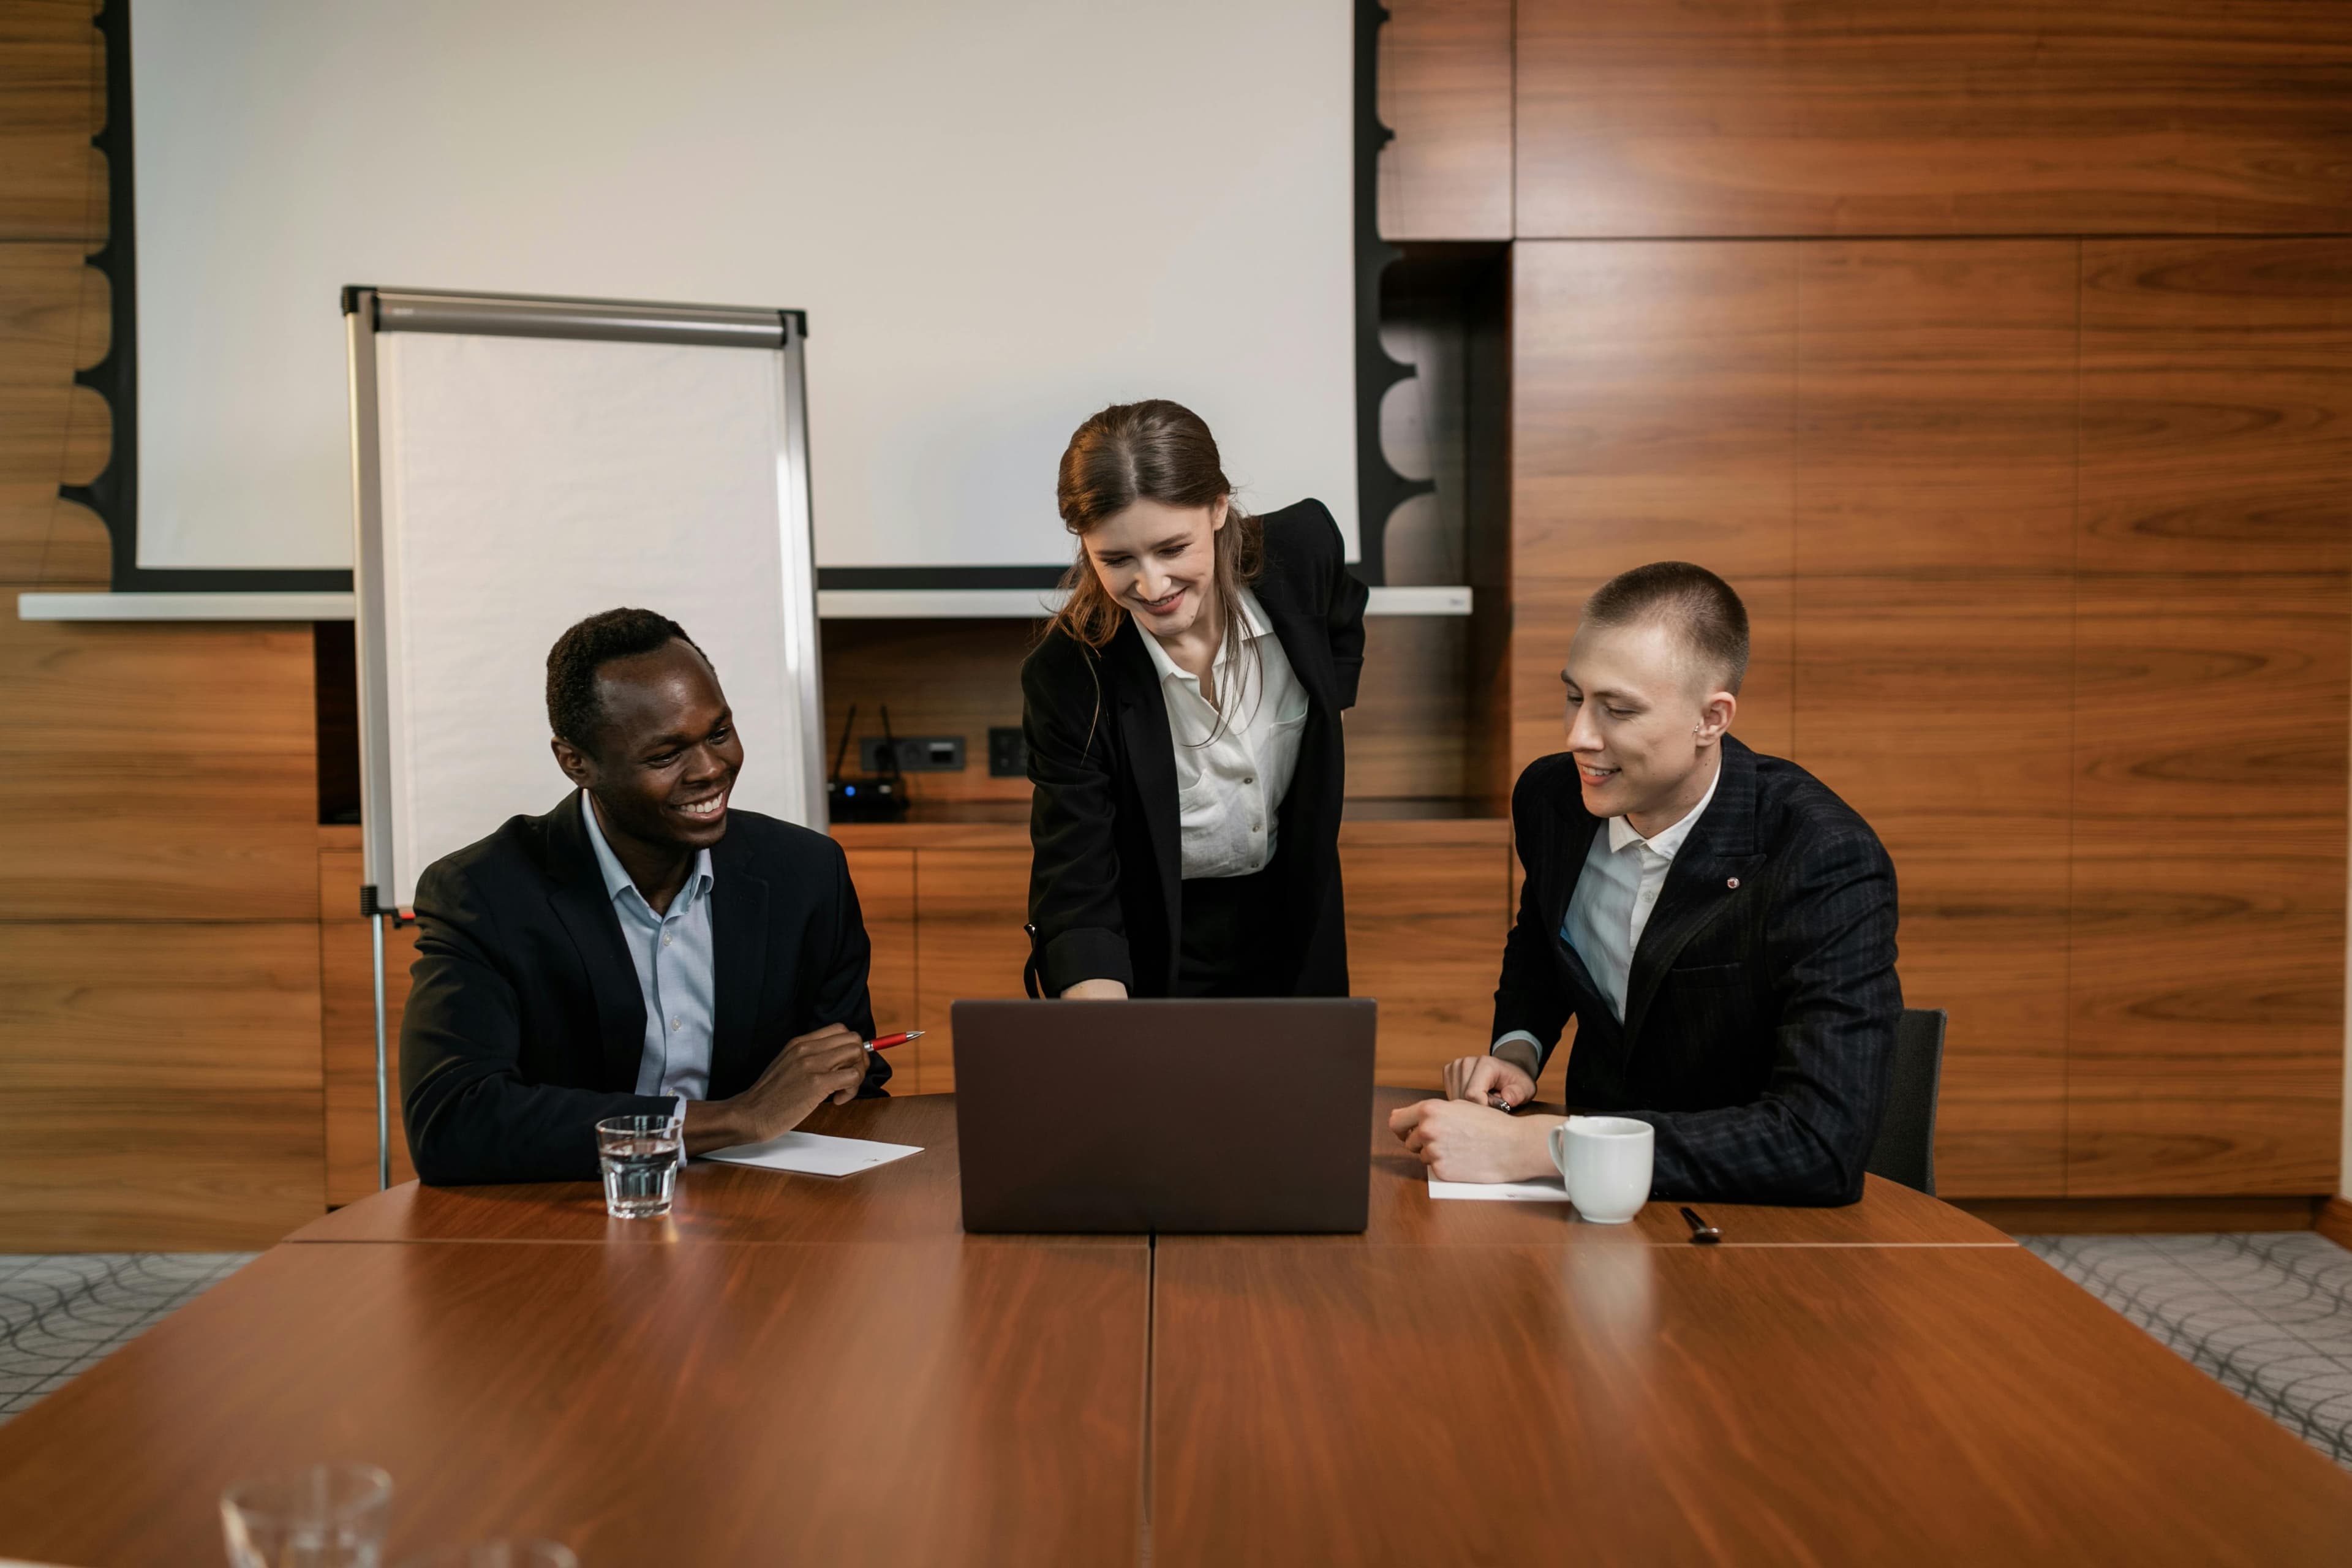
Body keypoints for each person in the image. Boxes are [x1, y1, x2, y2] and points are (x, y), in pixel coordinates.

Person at [1389, 563, 1900, 1205]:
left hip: (1752, 1221)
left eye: (1619, 709)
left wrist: (1543, 1145)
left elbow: (1820, 1145)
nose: (1578, 736)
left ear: (1712, 719)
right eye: (1575, 696)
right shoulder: (1553, 798)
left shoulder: (1822, 857)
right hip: (1581, 1212)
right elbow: (1545, 938)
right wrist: (1518, 1050)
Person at [401, 608, 889, 1185]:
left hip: (757, 1217)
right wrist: (735, 1118)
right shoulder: (482, 893)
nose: (710, 769)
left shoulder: (807, 873)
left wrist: (845, 1073)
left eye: (720, 733)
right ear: (575, 763)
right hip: (564, 1223)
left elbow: (849, 1087)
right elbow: (453, 1122)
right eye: (666, 756)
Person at [1022, 399, 1370, 1000]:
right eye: (1117, 559)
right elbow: (1077, 887)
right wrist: (1104, 1035)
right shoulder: (1067, 677)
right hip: (1157, 938)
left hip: (1295, 911)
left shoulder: (1305, 550)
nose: (1152, 586)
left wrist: (1328, 713)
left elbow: (1344, 614)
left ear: (1217, 508)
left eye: (1171, 548)